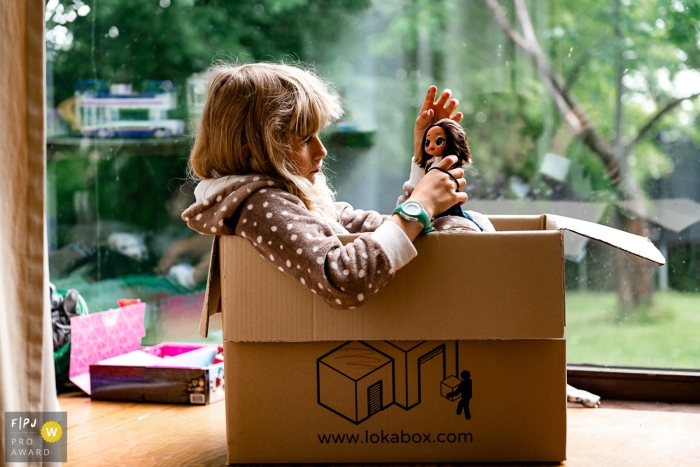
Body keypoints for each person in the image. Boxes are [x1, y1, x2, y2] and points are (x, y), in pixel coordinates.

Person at [182, 62, 473, 309]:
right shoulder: (260, 205)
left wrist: (425, 163)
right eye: (305, 139)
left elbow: (374, 228)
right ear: (251, 152)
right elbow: (344, 277)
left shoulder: (289, 203)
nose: (322, 151)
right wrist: (418, 207)